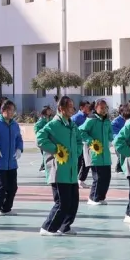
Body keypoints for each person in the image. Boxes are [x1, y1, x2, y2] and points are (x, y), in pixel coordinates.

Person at [38, 96, 81, 236]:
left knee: (73, 203)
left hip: (71, 171)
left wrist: (77, 151)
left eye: (72, 106)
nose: (72, 109)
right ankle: (48, 227)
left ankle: (65, 226)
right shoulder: (53, 124)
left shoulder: (72, 125)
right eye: (69, 106)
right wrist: (55, 149)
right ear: (61, 109)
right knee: (62, 203)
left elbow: (79, 140)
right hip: (59, 170)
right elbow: (40, 138)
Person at [78, 99, 112, 206]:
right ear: (96, 108)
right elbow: (81, 131)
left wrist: (110, 139)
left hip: (106, 155)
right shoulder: (91, 120)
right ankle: (93, 198)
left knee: (107, 177)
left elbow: (110, 133)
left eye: (105, 108)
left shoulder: (107, 120)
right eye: (101, 108)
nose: (104, 110)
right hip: (95, 154)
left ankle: (101, 197)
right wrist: (91, 141)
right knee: (98, 177)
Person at [35, 106, 54, 172]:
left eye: (50, 110)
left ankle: (44, 166)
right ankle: (43, 166)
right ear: (45, 111)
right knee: (45, 153)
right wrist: (40, 135)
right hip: (43, 140)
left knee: (47, 153)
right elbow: (36, 128)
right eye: (48, 110)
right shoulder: (42, 120)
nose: (50, 111)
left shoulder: (51, 119)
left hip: (50, 139)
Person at [111, 104, 129, 173]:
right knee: (120, 155)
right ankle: (119, 169)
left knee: (124, 156)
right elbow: (114, 133)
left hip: (126, 142)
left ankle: (121, 168)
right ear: (121, 112)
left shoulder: (128, 120)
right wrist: (120, 138)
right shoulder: (116, 121)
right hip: (119, 142)